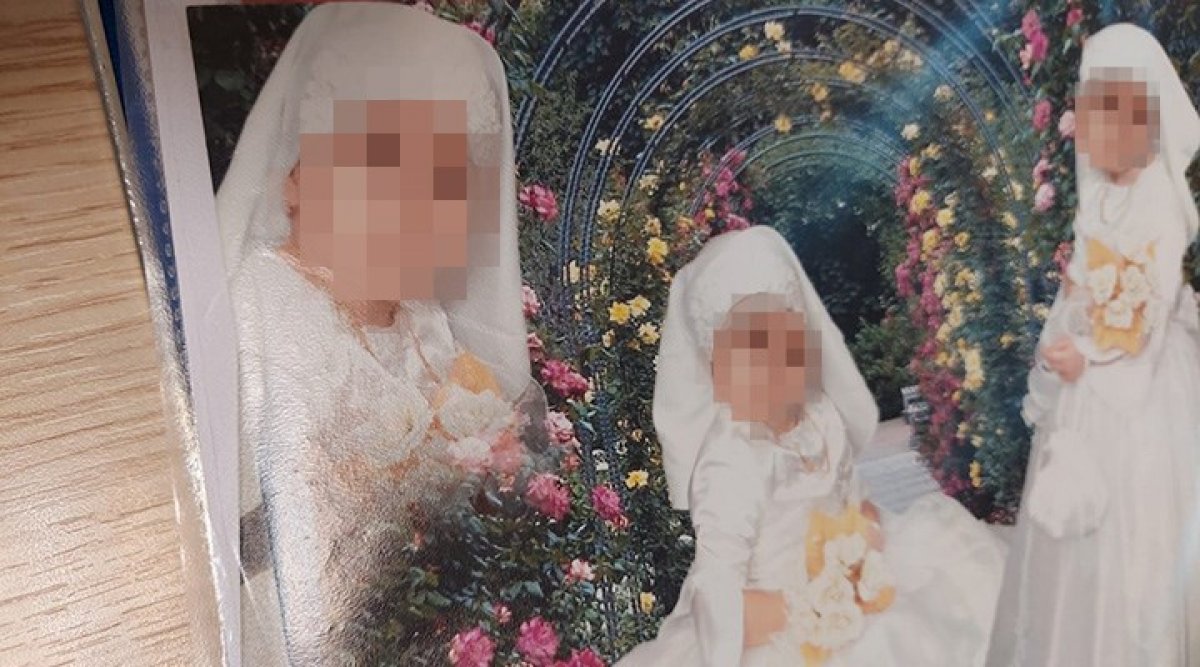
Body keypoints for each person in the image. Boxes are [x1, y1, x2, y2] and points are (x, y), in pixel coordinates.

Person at [213, 4, 540, 664]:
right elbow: (256, 523)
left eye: (443, 184)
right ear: (298, 179)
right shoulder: (266, 307)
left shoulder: (423, 319)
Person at [617, 225, 1006, 666]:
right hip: (781, 623)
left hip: (848, 583)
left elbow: (853, 500)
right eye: (750, 351)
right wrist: (811, 603)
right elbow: (719, 594)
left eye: (787, 339)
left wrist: (864, 548)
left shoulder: (820, 415)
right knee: (882, 646)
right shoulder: (730, 462)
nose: (773, 365)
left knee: (944, 594)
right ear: (719, 375)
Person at [987, 23, 1200, 667]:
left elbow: (1151, 303)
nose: (1094, 133)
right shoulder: (1100, 200)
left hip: (1144, 383)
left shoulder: (1159, 201)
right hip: (1090, 382)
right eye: (1089, 115)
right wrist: (1066, 333)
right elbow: (1083, 283)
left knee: (1143, 518)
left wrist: (1093, 355)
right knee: (1078, 519)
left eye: (1111, 115)